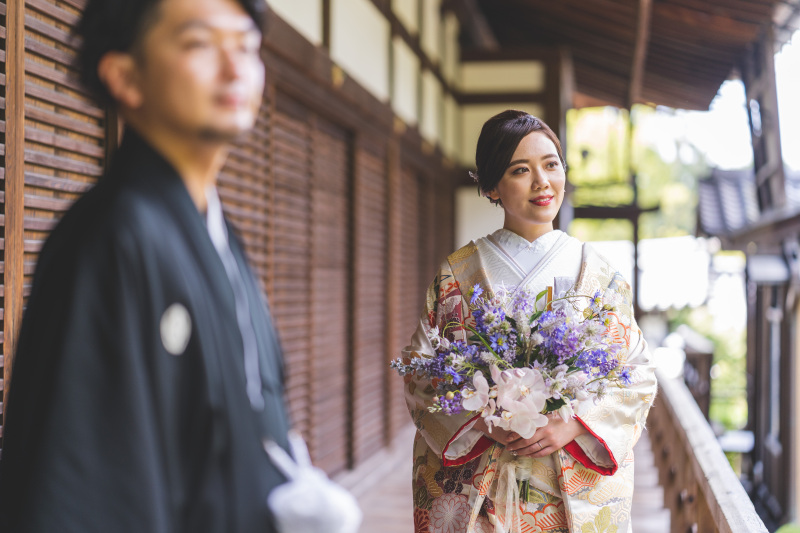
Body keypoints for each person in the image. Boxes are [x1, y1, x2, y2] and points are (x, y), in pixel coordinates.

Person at [0, 0, 292, 531]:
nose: (235, 68)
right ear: (125, 77)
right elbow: (83, 489)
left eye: (247, 45)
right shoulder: (110, 238)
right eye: (200, 43)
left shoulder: (218, 234)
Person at [401, 110, 658, 532]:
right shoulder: (458, 275)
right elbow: (421, 369)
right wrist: (483, 420)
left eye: (551, 164)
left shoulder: (598, 274)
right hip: (483, 475)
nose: (542, 182)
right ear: (491, 186)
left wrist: (575, 423)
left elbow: (635, 371)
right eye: (521, 170)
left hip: (568, 478)